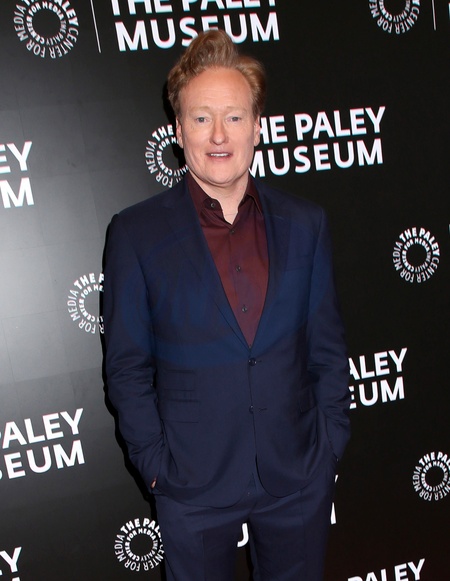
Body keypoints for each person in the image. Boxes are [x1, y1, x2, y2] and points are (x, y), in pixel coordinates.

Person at [103, 29, 350, 581]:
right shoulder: (135, 233)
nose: (218, 135)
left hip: (298, 475)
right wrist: (156, 467)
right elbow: (127, 366)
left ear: (257, 126)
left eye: (234, 117)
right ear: (178, 129)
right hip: (190, 484)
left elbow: (327, 348)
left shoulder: (306, 223)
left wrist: (330, 442)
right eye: (201, 118)